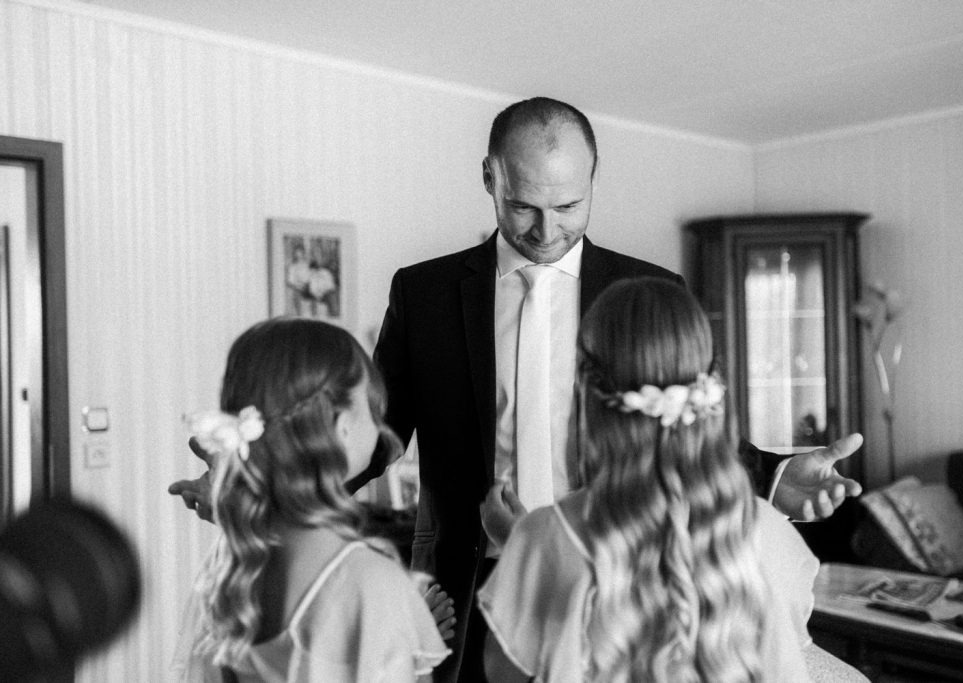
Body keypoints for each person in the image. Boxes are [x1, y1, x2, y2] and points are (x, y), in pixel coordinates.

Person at [172, 96, 862, 682]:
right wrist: (265, 482)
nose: (546, 229)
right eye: (524, 205)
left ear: (593, 180)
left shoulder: (648, 289)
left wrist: (772, 474)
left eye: (568, 205)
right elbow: (374, 432)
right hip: (466, 587)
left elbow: (677, 424)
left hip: (622, 583)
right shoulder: (425, 293)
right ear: (490, 178)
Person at [477, 277, 847, 682]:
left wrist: (521, 552)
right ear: (710, 387)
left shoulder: (544, 538)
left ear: (585, 390)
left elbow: (503, 674)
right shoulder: (773, 535)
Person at [172, 318, 449, 681]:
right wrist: (407, 632)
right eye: (372, 409)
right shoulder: (372, 585)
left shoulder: (231, 572)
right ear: (342, 426)